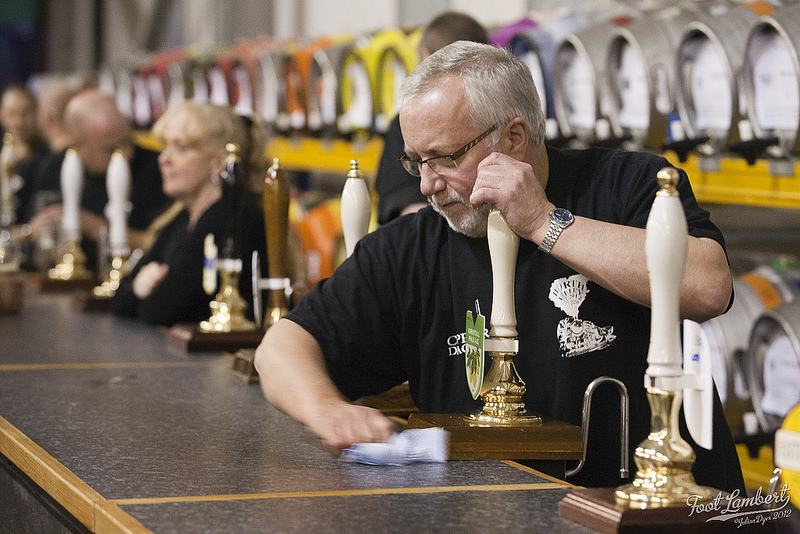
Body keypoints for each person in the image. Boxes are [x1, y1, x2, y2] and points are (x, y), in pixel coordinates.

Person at [254, 42, 745, 491]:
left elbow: (708, 286)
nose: (427, 185)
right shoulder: (413, 248)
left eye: (444, 158)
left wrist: (543, 222)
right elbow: (281, 348)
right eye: (415, 162)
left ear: (513, 138)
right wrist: (325, 409)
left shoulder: (627, 183)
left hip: (654, 510)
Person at [112, 101, 268, 327]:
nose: (164, 159)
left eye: (181, 148)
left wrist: (141, 291)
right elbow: (119, 299)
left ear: (219, 162)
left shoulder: (231, 219)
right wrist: (138, 287)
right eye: (166, 146)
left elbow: (160, 311)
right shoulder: (182, 218)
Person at [25, 89, 171, 269]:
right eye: (111, 149)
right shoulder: (54, 168)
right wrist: (43, 236)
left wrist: (96, 228)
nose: (127, 154)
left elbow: (167, 243)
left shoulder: (157, 168)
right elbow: (35, 245)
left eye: (129, 141)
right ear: (76, 145)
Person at [375, 12, 488, 225]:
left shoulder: (406, 125)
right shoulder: (506, 119)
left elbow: (410, 215)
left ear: (426, 58)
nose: (427, 186)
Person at [0, 84, 49, 223]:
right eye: (12, 113)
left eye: (25, 113)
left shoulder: (47, 159)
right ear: (2, 115)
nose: (19, 122)